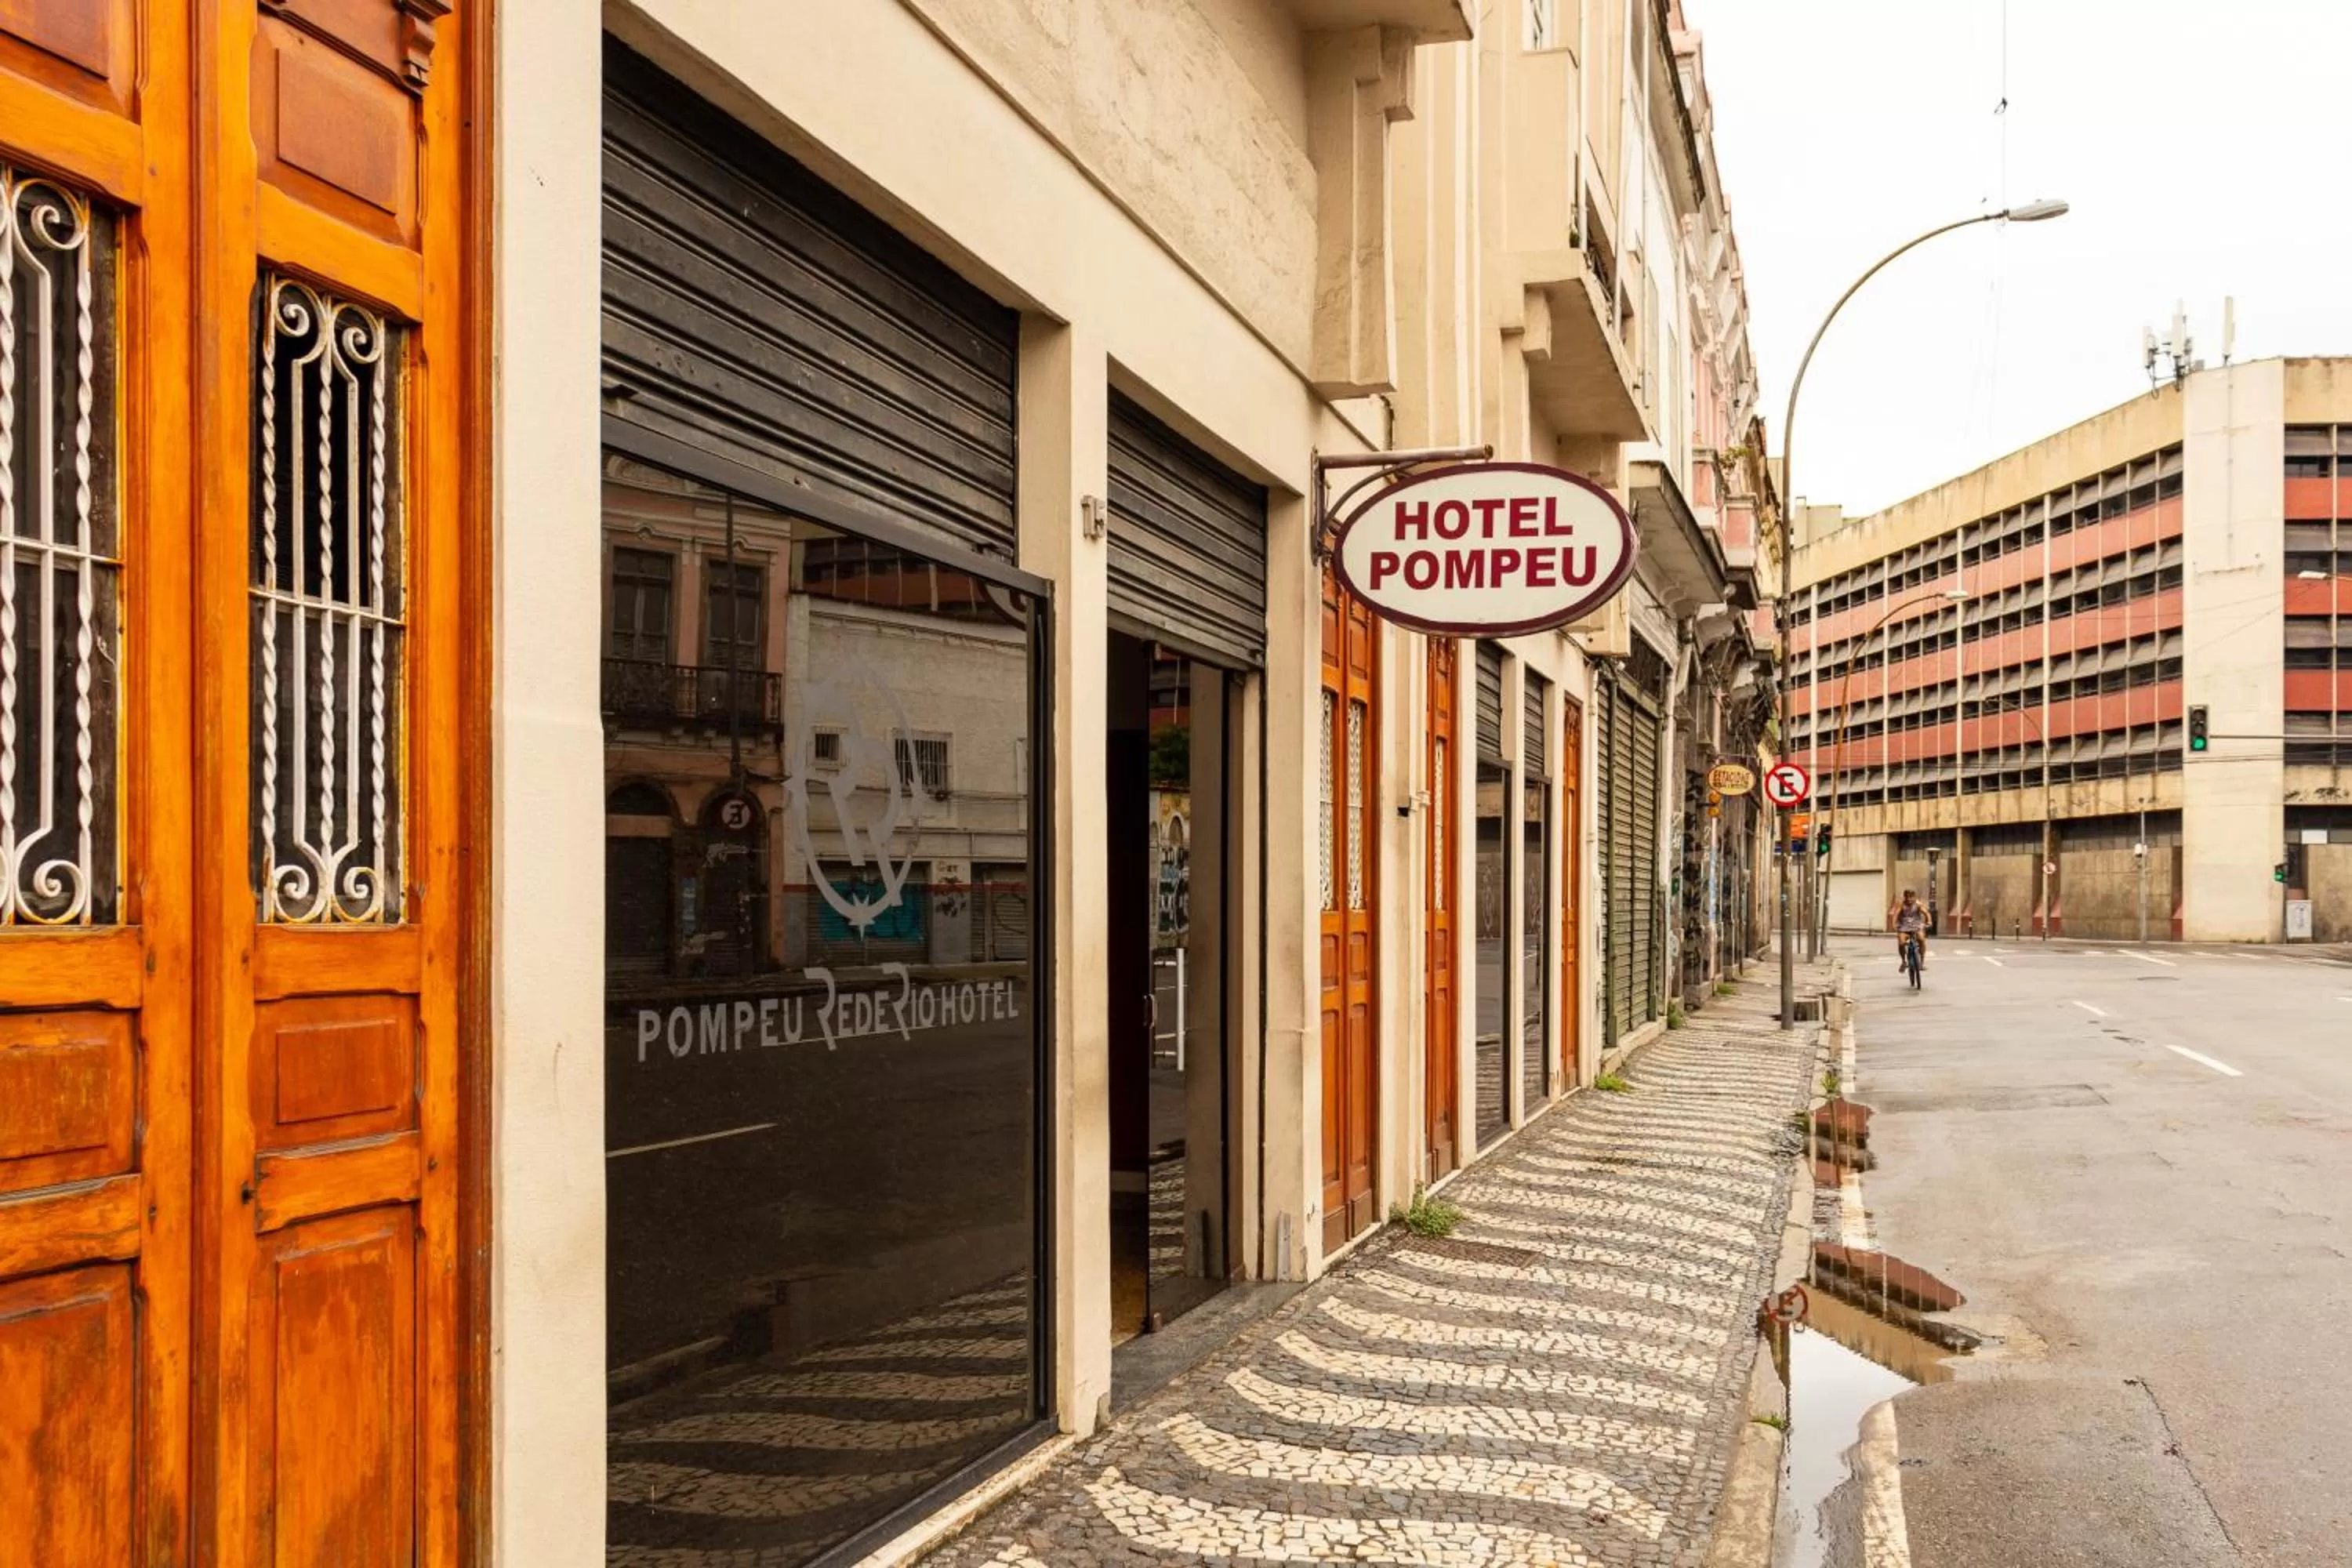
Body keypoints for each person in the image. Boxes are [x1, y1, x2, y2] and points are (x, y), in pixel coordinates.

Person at [1893, 889, 1929, 971]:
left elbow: (1926, 913)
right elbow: (1895, 915)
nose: (1909, 899)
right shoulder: (1901, 905)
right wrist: (1894, 924)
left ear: (1914, 897)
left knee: (1922, 939)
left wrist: (1929, 921)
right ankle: (1904, 962)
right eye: (1907, 897)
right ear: (1904, 897)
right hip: (1904, 928)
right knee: (1901, 943)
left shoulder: (1918, 905)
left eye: (1911, 897)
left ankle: (1922, 963)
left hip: (1916, 928)